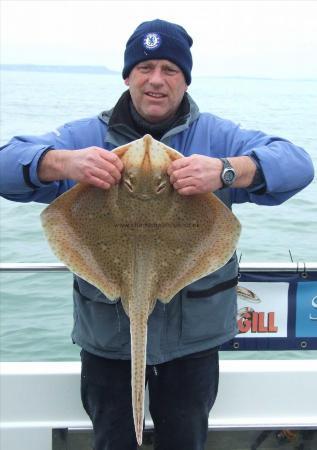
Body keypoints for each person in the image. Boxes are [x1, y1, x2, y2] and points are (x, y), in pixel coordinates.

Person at [0, 18, 314, 450]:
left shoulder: (215, 136)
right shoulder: (89, 137)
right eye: (145, 67)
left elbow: (297, 164)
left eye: (170, 69)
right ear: (127, 75)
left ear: (186, 79)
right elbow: (5, 162)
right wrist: (62, 164)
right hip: (108, 339)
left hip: (191, 343)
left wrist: (225, 170)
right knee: (113, 440)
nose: (156, 80)